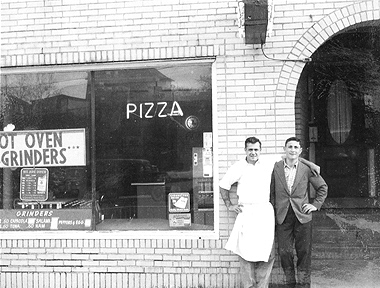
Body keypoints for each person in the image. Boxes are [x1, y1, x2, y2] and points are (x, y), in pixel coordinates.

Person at [219, 136, 320, 288]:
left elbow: (291, 156)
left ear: (260, 150)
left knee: (267, 252)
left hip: (265, 211)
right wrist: (229, 204)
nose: (253, 153)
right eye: (250, 150)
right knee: (245, 252)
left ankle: (262, 286)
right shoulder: (238, 166)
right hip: (246, 212)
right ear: (245, 150)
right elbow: (224, 185)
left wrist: (310, 163)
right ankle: (248, 286)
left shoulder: (268, 162)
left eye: (256, 150)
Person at [270, 137, 328, 288]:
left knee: (304, 253)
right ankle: (290, 283)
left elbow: (322, 187)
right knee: (284, 252)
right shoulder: (276, 167)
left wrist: (315, 205)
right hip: (282, 216)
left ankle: (303, 284)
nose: (293, 150)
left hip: (302, 216)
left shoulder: (306, 169)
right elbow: (271, 192)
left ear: (300, 151)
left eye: (296, 147)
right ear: (285, 149)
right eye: (290, 147)